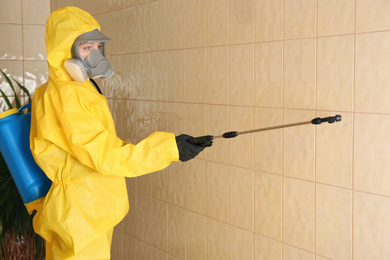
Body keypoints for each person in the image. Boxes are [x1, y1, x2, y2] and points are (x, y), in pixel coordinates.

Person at [28, 6, 210, 259]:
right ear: (64, 50)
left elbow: (100, 145)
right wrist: (169, 148)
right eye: (85, 48)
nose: (94, 55)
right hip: (82, 214)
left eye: (97, 46)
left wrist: (170, 147)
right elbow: (104, 154)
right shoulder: (66, 94)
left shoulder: (68, 89)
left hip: (86, 209)